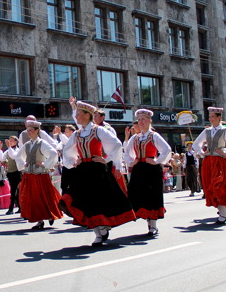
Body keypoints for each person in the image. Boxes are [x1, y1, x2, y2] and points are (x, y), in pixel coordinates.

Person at [61, 101, 135, 246]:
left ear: (87, 115)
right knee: (85, 201)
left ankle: (102, 228)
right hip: (82, 171)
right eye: (76, 114)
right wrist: (73, 162)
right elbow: (67, 151)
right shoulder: (77, 134)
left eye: (79, 114)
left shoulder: (98, 130)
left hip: (97, 170)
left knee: (99, 200)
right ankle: (97, 232)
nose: (76, 117)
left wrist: (106, 158)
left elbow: (116, 144)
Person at [125, 109, 172, 237]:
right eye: (139, 120)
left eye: (144, 119)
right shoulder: (135, 137)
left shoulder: (154, 136)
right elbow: (127, 152)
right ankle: (148, 221)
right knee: (138, 194)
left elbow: (167, 149)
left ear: (149, 120)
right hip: (139, 169)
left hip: (151, 169)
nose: (141, 122)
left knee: (152, 195)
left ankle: (153, 225)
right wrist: (131, 162)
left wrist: (157, 161)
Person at [192, 107, 226, 224]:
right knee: (210, 185)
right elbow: (196, 144)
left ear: (219, 117)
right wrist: (202, 153)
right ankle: (221, 211)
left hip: (220, 161)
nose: (211, 119)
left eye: (213, 116)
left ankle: (223, 213)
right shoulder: (207, 131)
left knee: (220, 185)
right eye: (210, 117)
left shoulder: (224, 130)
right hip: (209, 160)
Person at [14, 121, 63, 230]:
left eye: (31, 130)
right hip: (29, 175)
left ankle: (49, 215)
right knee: (32, 197)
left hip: (40, 174)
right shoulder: (27, 145)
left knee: (43, 196)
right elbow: (18, 156)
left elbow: (54, 153)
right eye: (28, 130)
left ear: (37, 131)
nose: (29, 132)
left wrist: (45, 164)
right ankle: (39, 220)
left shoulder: (42, 143)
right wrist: (23, 165)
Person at [0, 136, 21, 215]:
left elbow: (13, 156)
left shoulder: (18, 150)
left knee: (16, 190)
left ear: (16, 141)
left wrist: (9, 147)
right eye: (10, 141)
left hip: (17, 172)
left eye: (12, 141)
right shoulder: (7, 151)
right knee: (14, 190)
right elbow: (2, 158)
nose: (10, 142)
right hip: (10, 172)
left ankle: (14, 207)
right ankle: (16, 207)